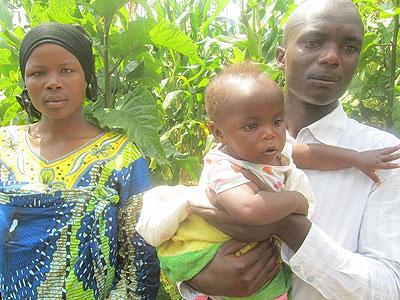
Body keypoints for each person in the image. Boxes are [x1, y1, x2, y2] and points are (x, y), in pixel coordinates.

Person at [180, 0, 400, 299]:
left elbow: (389, 288)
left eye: (350, 48)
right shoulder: (233, 148)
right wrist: (199, 280)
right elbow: (199, 228)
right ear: (281, 57)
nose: (333, 57)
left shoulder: (383, 154)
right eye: (313, 42)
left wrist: (287, 224)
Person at [137, 62, 399, 299]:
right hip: (216, 251)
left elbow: (310, 153)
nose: (269, 134)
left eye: (276, 121)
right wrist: (296, 200)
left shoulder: (273, 150)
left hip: (256, 260)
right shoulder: (225, 169)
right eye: (251, 126)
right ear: (218, 132)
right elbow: (249, 209)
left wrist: (356, 158)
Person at [0, 22, 159, 299]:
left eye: (66, 70)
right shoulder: (5, 146)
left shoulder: (121, 157)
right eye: (38, 73)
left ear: (87, 77)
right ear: (25, 82)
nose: (52, 82)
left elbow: (139, 265)